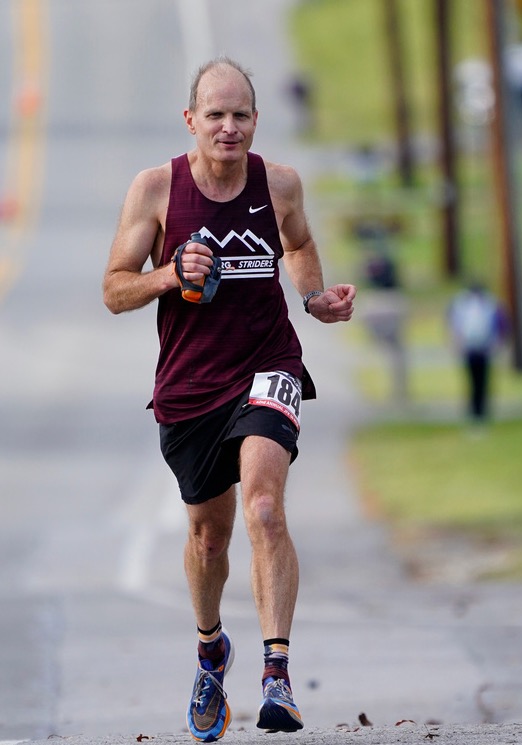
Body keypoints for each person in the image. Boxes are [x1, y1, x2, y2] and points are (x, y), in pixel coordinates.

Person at [103, 56, 356, 742]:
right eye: (214, 114)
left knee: (265, 507)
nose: (228, 126)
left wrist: (312, 297)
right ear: (191, 121)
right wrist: (167, 274)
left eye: (240, 114)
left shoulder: (278, 183)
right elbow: (114, 288)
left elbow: (298, 243)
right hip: (188, 386)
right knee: (207, 537)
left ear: (255, 121)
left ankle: (276, 674)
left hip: (266, 363)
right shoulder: (156, 190)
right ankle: (211, 646)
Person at [447, 281, 509, 423]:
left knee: (477, 380)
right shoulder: (488, 304)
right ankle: (477, 412)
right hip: (477, 348)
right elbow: (502, 325)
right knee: (478, 381)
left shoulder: (464, 304)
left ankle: (479, 412)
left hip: (478, 348)